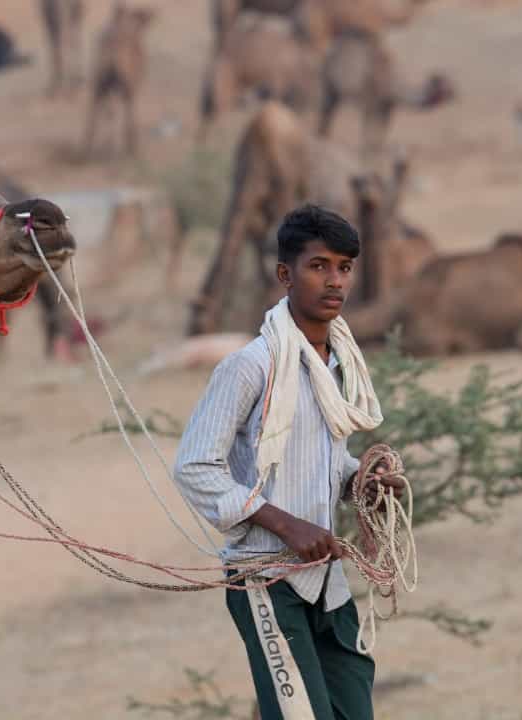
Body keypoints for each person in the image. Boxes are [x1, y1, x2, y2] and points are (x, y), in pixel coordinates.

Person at [172, 204, 405, 720]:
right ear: (285, 274)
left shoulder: (338, 366)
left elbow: (326, 461)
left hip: (328, 584)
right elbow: (194, 466)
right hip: (266, 581)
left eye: (344, 267)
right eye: (318, 265)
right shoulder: (248, 367)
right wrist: (285, 523)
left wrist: (361, 483)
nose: (335, 281)